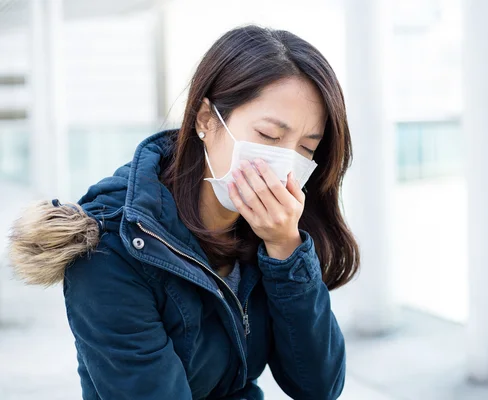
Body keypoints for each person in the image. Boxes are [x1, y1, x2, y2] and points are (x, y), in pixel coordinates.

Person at [8, 25, 360, 400]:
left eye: (306, 148)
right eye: (270, 137)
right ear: (206, 119)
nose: (285, 164)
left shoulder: (269, 231)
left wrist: (286, 250)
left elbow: (319, 386)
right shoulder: (110, 248)